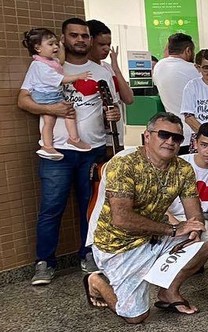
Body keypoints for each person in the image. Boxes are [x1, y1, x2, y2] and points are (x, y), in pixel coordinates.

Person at [84, 112, 208, 323]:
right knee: (135, 316)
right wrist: (173, 230)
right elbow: (122, 219)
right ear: (147, 136)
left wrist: (194, 228)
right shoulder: (124, 164)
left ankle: (169, 292)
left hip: (154, 237)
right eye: (164, 135)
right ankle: (97, 280)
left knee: (206, 240)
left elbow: (195, 215)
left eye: (177, 138)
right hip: (119, 245)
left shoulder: (183, 169)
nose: (170, 141)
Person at [18, 17, 121, 284]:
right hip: (57, 153)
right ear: (63, 39)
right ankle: (44, 262)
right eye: (74, 36)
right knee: (52, 208)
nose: (80, 40)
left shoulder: (101, 72)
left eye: (85, 36)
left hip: (93, 149)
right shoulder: (47, 66)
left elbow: (111, 107)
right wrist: (51, 109)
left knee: (92, 208)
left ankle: (88, 254)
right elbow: (23, 100)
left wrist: (113, 112)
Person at [21, 27, 92, 160]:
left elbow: (61, 60)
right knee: (52, 120)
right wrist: (79, 76)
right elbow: (61, 79)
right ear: (37, 48)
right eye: (50, 44)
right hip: (47, 98)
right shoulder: (39, 66)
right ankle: (49, 146)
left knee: (67, 114)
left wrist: (61, 46)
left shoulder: (49, 61)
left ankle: (71, 140)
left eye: (55, 43)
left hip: (53, 96)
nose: (54, 47)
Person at [167, 122, 208, 234]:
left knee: (204, 237)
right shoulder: (178, 164)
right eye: (204, 145)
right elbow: (157, 203)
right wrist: (176, 226)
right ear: (195, 144)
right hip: (170, 217)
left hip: (202, 221)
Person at [152, 33, 200, 153]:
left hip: (173, 133)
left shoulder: (158, 67)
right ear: (188, 50)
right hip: (195, 133)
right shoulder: (195, 70)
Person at [86, 20, 134, 106]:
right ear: (90, 42)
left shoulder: (108, 67)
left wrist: (116, 68)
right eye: (101, 44)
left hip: (117, 118)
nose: (107, 49)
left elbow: (129, 99)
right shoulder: (82, 71)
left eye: (109, 44)